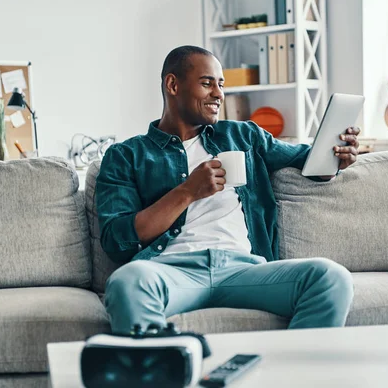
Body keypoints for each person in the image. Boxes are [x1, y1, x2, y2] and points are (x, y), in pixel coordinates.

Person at [96, 45, 361, 334]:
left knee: (330, 277)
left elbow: (307, 160)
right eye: (207, 83)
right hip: (172, 270)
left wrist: (337, 154)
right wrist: (187, 191)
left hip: (244, 269)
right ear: (173, 85)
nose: (219, 94)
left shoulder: (242, 135)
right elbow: (117, 240)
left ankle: (293, 373)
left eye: (221, 85)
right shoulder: (126, 155)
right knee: (127, 282)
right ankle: (164, 371)